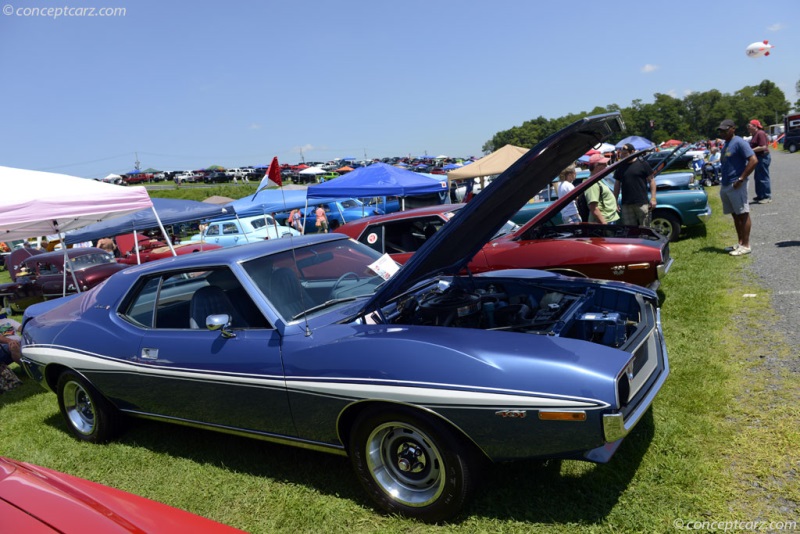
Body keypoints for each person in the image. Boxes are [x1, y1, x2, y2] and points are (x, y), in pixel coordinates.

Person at [717, 119, 758, 256]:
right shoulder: (726, 143)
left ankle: (746, 245)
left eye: (725, 130)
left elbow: (753, 160)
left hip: (736, 184)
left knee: (743, 214)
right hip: (727, 184)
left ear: (733, 128)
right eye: (721, 130)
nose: (722, 132)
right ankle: (740, 243)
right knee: (735, 215)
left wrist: (741, 179)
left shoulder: (739, 141)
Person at [613, 143, 657, 226]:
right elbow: (617, 185)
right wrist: (614, 201)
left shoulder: (643, 164)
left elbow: (652, 181)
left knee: (645, 228)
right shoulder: (620, 166)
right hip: (626, 204)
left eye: (625, 153)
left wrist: (653, 198)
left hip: (642, 203)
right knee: (630, 230)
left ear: (632, 152)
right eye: (621, 153)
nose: (623, 155)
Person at [584, 154, 620, 224]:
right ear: (596, 166)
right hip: (605, 221)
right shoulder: (592, 184)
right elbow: (594, 208)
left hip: (609, 219)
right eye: (604, 164)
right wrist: (604, 225)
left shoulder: (598, 181)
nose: (606, 167)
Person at [747, 119, 772, 204]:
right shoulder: (754, 135)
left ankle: (767, 196)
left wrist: (751, 150)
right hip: (758, 158)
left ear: (755, 126)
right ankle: (760, 195)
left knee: (763, 177)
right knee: (757, 177)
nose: (748, 127)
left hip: (763, 157)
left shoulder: (760, 133)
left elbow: (763, 147)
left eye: (749, 125)